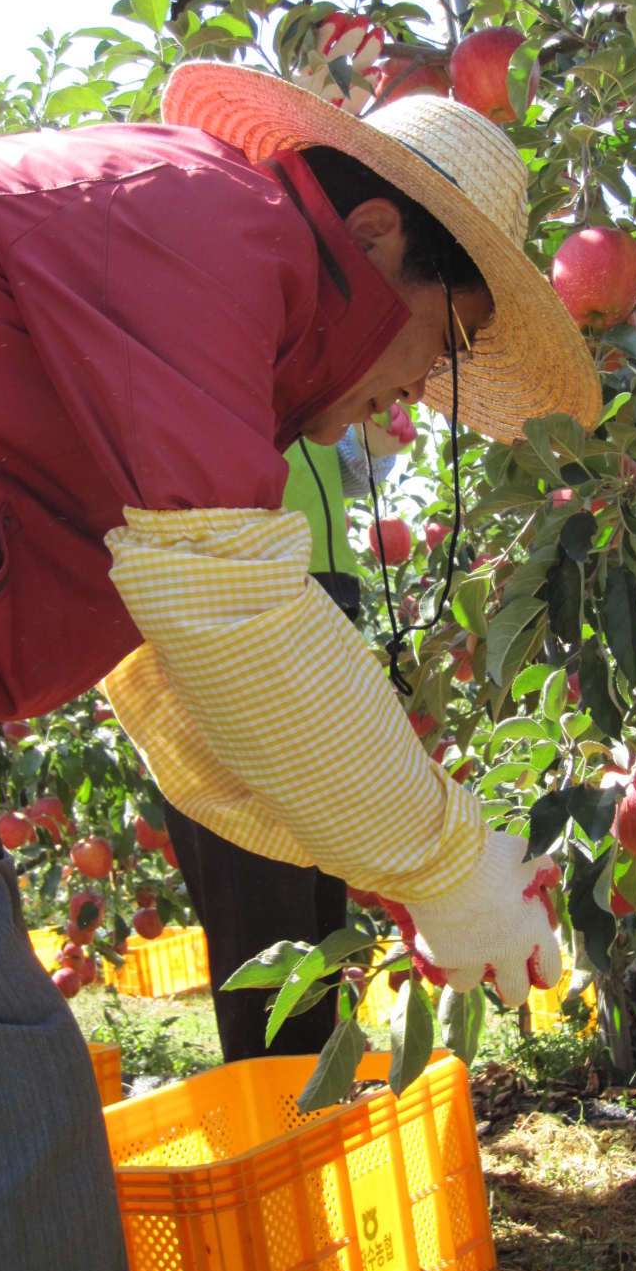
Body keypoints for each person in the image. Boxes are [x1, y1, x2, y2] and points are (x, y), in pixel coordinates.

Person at [0, 63, 600, 1271]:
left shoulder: (196, 282)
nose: (417, 408)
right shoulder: (207, 226)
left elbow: (171, 681)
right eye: (440, 349)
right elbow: (231, 613)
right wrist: (443, 863)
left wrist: (395, 857)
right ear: (378, 236)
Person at [167, 421, 411, 1061]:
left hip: (320, 592)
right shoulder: (212, 329)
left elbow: (343, 469)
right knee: (257, 877)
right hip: (226, 588)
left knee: (315, 875)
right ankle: (278, 1102)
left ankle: (307, 1097)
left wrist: (374, 444)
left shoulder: (310, 336)